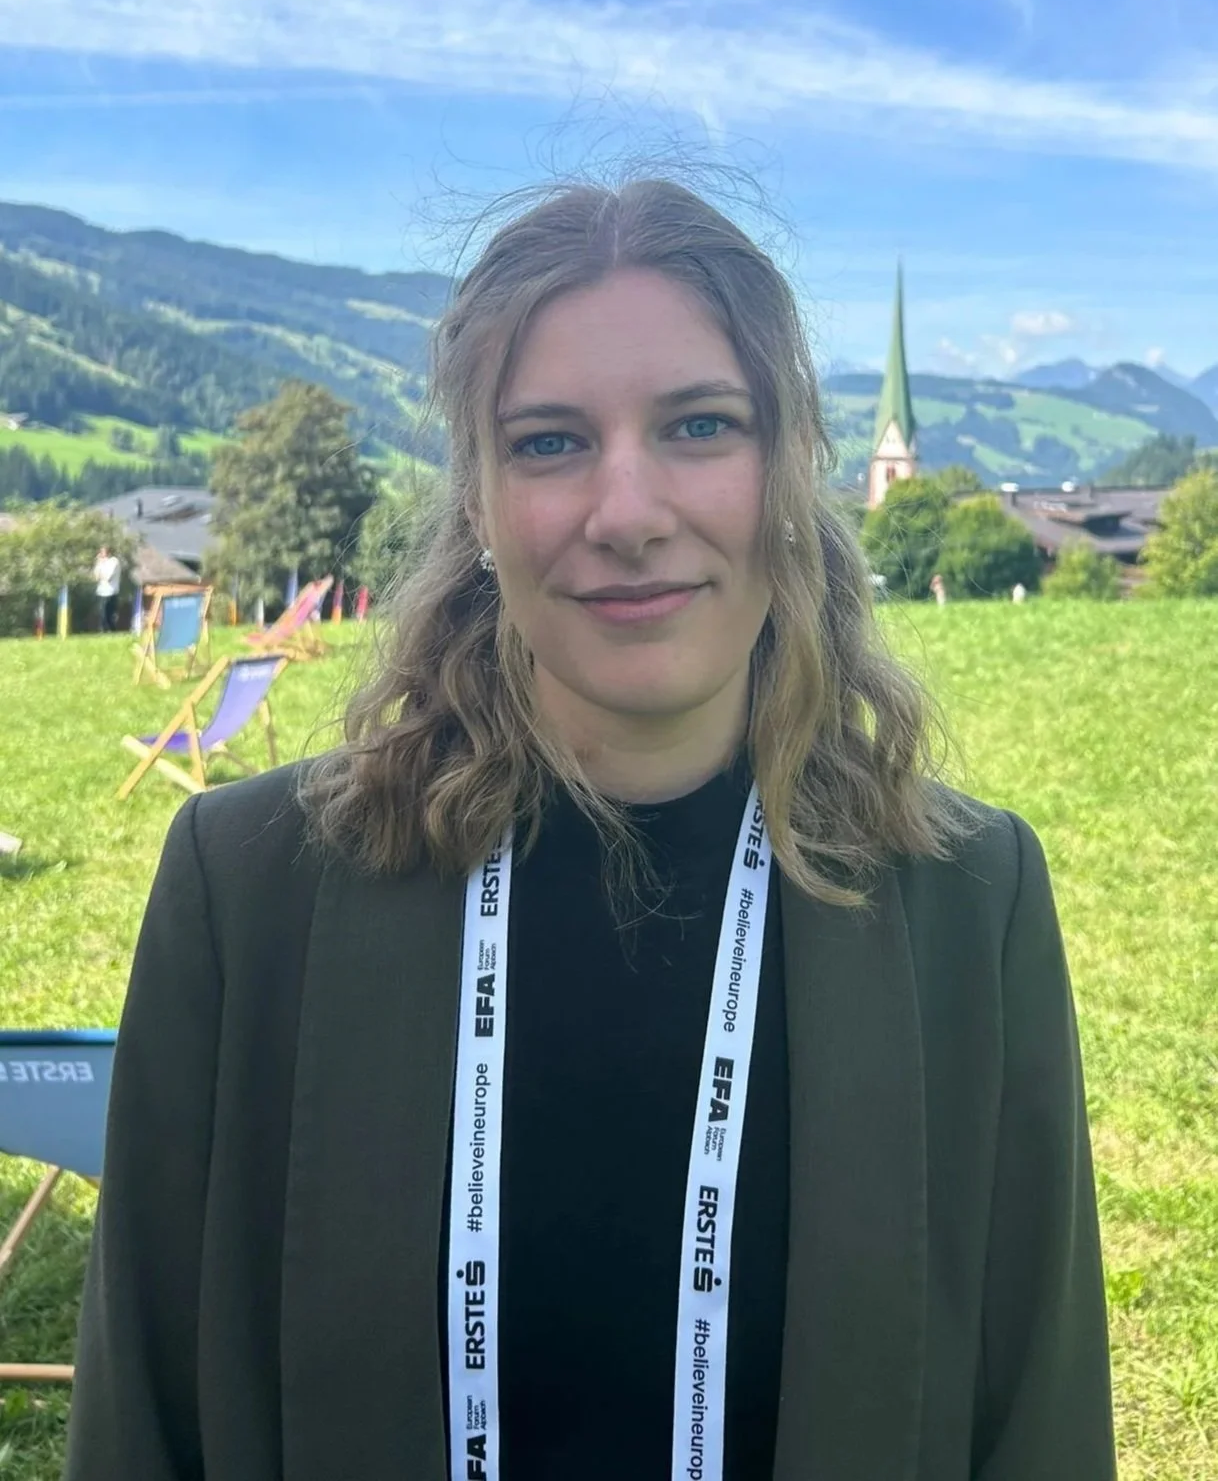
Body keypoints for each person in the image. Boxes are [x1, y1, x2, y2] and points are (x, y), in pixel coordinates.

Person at [65, 179, 1115, 1481]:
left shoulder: (967, 904)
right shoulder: (249, 894)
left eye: (697, 425)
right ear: (480, 507)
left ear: (784, 471)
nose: (626, 512)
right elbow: (141, 1426)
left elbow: (1040, 1428)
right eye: (549, 442)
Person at [92, 545, 121, 632]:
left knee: (109, 613)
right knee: (102, 612)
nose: (101, 555)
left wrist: (101, 574)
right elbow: (96, 577)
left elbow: (108, 577)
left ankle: (111, 629)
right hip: (101, 591)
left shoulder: (113, 561)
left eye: (103, 553)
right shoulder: (100, 563)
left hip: (111, 591)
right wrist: (99, 563)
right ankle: (103, 629)